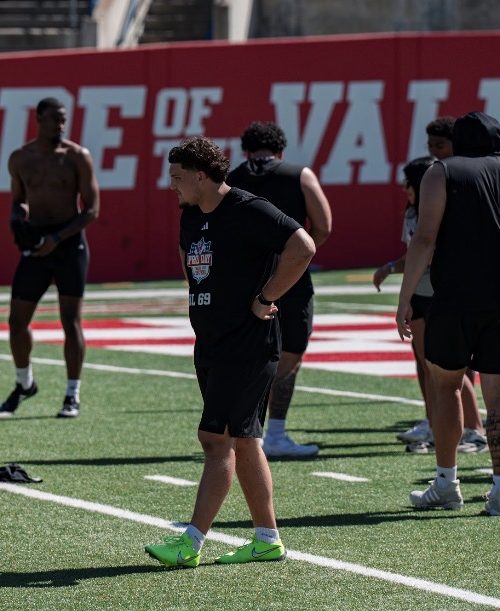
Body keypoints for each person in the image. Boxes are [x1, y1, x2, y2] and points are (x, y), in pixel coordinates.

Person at [145, 136, 316, 567]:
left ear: (201, 176)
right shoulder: (190, 216)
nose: (171, 184)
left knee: (215, 439)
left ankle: (191, 543)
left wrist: (265, 297)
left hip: (248, 343)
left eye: (178, 176)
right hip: (212, 342)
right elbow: (193, 268)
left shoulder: (248, 208)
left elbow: (303, 247)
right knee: (244, 439)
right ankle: (267, 538)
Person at [396, 110, 500, 514]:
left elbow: (424, 238)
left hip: (454, 298)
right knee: (497, 398)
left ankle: (446, 482)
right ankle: (499, 489)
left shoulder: (441, 171)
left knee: (446, 387)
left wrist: (405, 297)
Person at [374, 125, 486, 454]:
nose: (406, 190)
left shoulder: (450, 198)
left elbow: (427, 248)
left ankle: (474, 430)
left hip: (443, 293)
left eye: (409, 184)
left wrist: (401, 286)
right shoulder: (414, 211)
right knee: (428, 365)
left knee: (450, 369)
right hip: (424, 295)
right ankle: (436, 423)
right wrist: (393, 270)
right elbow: (414, 252)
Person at [227, 121, 332, 458]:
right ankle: (274, 433)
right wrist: (294, 257)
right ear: (281, 150)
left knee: (248, 356)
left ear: (246, 150)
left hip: (247, 278)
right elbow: (324, 226)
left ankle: (243, 431)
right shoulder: (299, 174)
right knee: (290, 355)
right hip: (292, 279)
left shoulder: (231, 178)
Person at [0, 97, 99, 419]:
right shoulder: (20, 158)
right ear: (39, 119)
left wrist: (57, 239)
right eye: (55, 118)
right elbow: (19, 200)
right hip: (38, 244)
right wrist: (17, 219)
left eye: (64, 119)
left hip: (68, 244)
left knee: (70, 320)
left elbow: (92, 210)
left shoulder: (77, 156)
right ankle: (24, 383)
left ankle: (72, 394)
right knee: (17, 321)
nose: (61, 125)